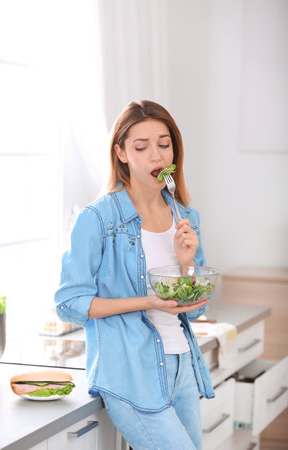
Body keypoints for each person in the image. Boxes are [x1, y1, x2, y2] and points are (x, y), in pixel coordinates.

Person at [55, 100, 215, 450]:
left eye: (164, 144)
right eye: (141, 147)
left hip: (182, 364)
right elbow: (69, 304)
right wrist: (148, 301)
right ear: (121, 153)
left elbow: (196, 308)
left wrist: (186, 265)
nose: (156, 156)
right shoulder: (98, 219)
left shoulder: (186, 215)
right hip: (129, 372)